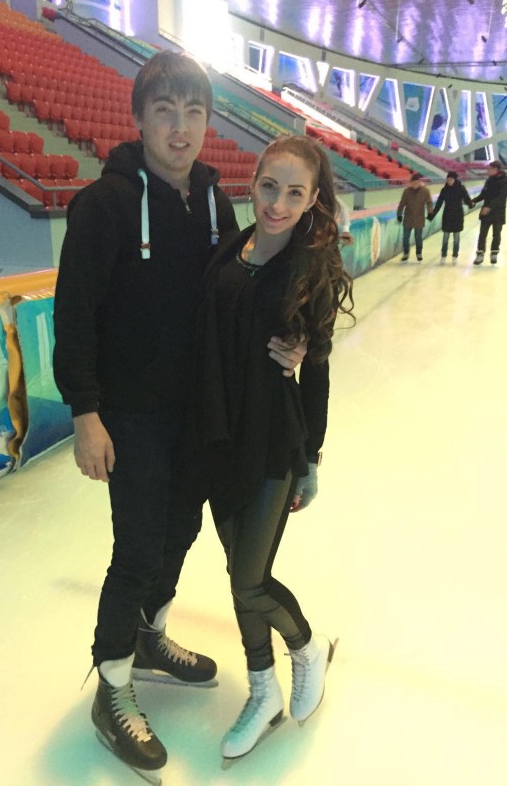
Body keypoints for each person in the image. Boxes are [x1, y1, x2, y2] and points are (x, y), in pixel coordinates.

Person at [52, 51, 306, 783]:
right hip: (128, 416)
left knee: (181, 533)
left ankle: (149, 635)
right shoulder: (103, 206)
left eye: (194, 112)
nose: (180, 128)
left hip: (196, 413)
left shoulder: (216, 204)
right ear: (139, 119)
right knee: (137, 550)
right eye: (165, 111)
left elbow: (239, 296)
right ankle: (111, 685)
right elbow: (75, 316)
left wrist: (289, 341)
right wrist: (86, 413)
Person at [187, 135, 354, 766]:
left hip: (272, 440)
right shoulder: (228, 251)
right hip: (218, 436)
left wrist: (312, 456)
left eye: (294, 193)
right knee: (239, 575)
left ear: (312, 200)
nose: (277, 204)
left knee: (250, 580)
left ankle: (306, 649)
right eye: (268, 187)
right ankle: (262, 690)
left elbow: (318, 371)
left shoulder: (310, 271)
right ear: (252, 183)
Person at [428, 170, 473, 261]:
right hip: (447, 215)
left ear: (455, 180)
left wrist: (470, 204)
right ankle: (444, 254)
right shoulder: (444, 190)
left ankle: (455, 254)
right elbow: (439, 203)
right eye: (448, 179)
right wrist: (432, 214)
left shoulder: (461, 188)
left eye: (451, 179)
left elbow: (466, 198)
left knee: (456, 237)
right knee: (445, 236)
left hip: (457, 215)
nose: (449, 181)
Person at [471, 160, 507, 265]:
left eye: (489, 169)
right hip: (486, 213)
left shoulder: (504, 181)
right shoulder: (489, 181)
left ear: (495, 169)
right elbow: (484, 194)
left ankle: (494, 253)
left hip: (498, 212)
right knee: (482, 234)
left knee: (496, 234)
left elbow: (501, 198)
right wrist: (474, 201)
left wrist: (489, 207)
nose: (487, 171)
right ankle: (480, 253)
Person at [397, 173, 433, 261]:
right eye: (413, 183)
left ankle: (419, 253)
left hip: (419, 218)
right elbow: (402, 203)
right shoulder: (406, 191)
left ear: (419, 182)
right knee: (405, 237)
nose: (415, 185)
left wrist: (430, 212)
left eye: (416, 183)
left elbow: (429, 203)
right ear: (411, 182)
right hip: (408, 218)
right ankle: (406, 253)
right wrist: (399, 214)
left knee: (418, 237)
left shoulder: (425, 191)